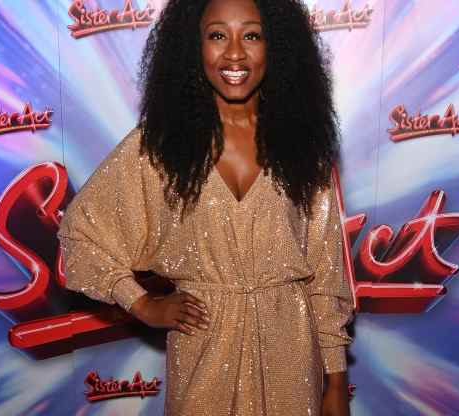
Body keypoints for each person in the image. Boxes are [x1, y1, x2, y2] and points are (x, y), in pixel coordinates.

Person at [57, 0, 354, 414]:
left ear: (277, 46)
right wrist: (141, 303)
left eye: (251, 35)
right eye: (217, 35)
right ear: (192, 46)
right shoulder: (158, 147)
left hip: (291, 350)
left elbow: (325, 273)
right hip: (203, 347)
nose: (234, 53)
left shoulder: (302, 145)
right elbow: (82, 232)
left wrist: (335, 380)